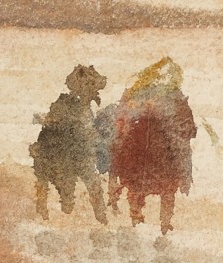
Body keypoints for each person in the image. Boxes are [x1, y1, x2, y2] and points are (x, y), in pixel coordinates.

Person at [109, 59, 199, 236]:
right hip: (140, 142)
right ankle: (135, 215)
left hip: (163, 146)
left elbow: (186, 123)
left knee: (169, 181)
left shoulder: (174, 95)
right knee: (131, 174)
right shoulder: (135, 92)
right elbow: (122, 116)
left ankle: (165, 222)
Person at [31, 64, 108, 224]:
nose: (90, 91)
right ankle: (43, 211)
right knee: (61, 187)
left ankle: (101, 218)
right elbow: (52, 123)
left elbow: (88, 129)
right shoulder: (63, 102)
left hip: (80, 151)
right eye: (86, 85)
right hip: (62, 151)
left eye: (90, 86)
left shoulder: (85, 106)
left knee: (93, 184)